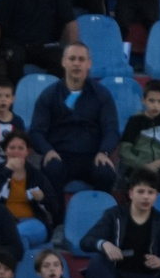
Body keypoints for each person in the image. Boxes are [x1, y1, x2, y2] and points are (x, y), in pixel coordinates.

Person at [32, 42, 120, 208]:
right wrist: (47, 150)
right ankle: (58, 219)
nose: (77, 63)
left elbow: (112, 129)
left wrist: (104, 152)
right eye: (72, 59)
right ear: (63, 61)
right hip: (60, 156)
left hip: (92, 156)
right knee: (51, 169)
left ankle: (100, 217)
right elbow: (36, 131)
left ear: (89, 63)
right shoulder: (49, 95)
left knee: (106, 173)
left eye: (81, 59)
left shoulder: (102, 94)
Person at [0, 0, 75, 83]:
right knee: (14, 59)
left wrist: (74, 49)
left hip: (43, 45)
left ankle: (50, 90)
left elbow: (70, 22)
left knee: (62, 59)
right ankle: (17, 91)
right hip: (16, 43)